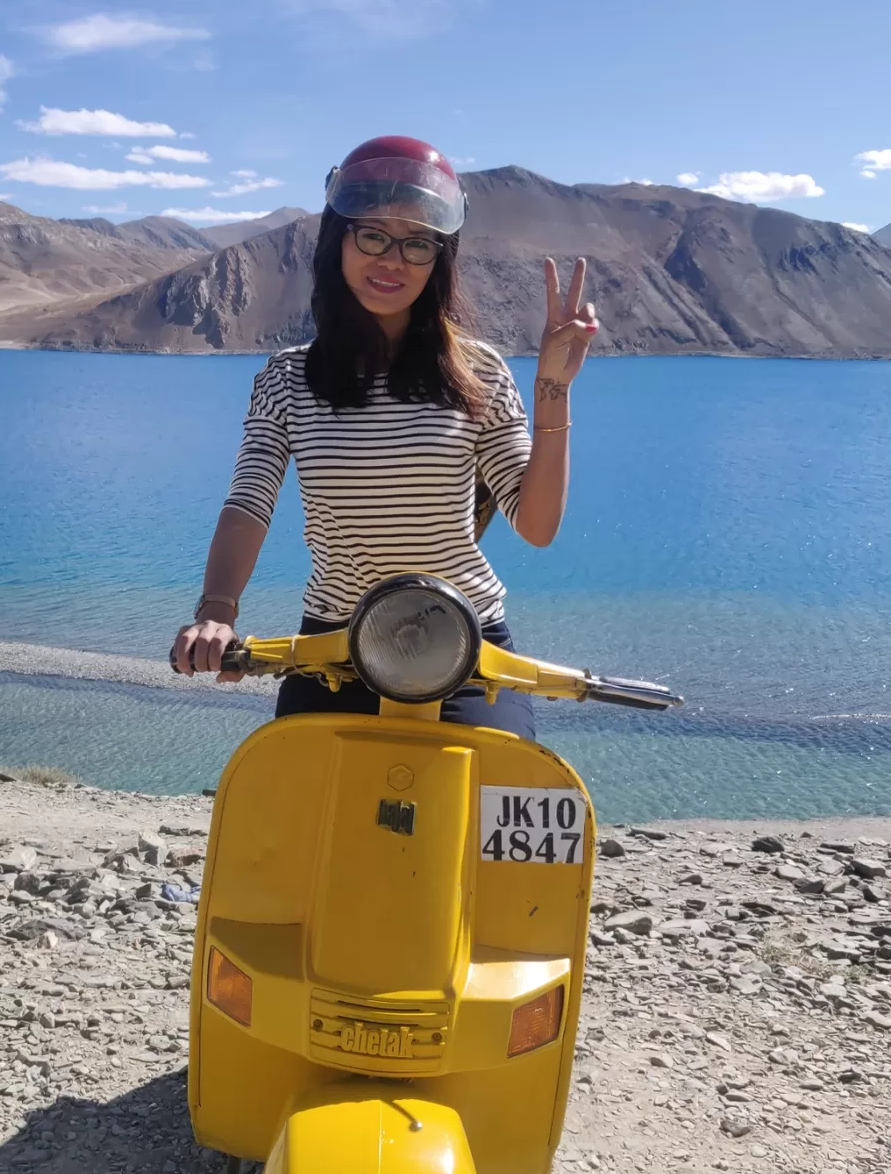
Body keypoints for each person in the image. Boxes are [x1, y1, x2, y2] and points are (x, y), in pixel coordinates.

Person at [169, 136, 598, 732]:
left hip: (464, 641)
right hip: (334, 648)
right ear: (337, 241)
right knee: (304, 814)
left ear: (439, 258)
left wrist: (554, 388)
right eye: (372, 235)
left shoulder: (480, 373)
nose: (392, 259)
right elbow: (249, 501)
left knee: (493, 809)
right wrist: (217, 610)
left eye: (417, 243)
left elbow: (536, 523)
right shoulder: (287, 379)